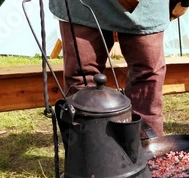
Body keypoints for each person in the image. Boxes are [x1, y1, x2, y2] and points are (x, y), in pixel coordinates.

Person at [49, 0, 170, 136]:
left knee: (147, 79)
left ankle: (145, 152)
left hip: (144, 7)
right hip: (82, 6)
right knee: (83, 80)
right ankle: (86, 151)